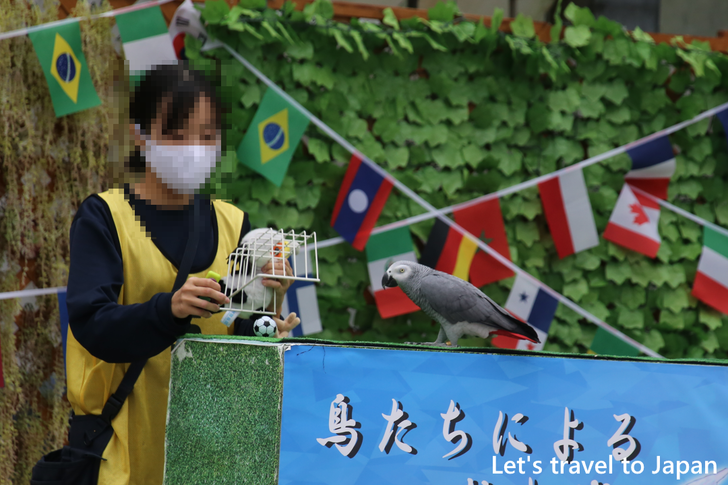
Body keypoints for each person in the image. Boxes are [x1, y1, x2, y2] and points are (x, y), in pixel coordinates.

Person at [64, 63, 300, 485]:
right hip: (122, 454)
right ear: (140, 135)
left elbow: (234, 325)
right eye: (177, 135)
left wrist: (270, 323)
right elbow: (91, 324)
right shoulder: (104, 217)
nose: (194, 148)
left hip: (215, 455)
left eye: (207, 135)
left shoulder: (233, 223)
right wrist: (166, 311)